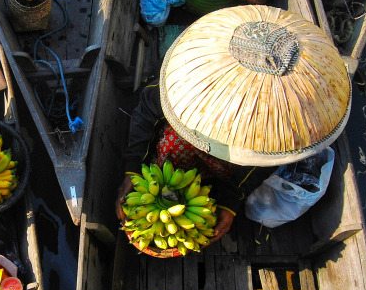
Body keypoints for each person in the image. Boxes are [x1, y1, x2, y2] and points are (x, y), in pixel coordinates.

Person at [115, 79, 272, 239]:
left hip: (233, 155)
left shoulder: (268, 121)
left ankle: (216, 186)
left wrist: (231, 201)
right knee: (175, 140)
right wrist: (134, 166)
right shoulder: (189, 82)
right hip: (189, 133)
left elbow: (265, 161)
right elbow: (147, 109)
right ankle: (170, 178)